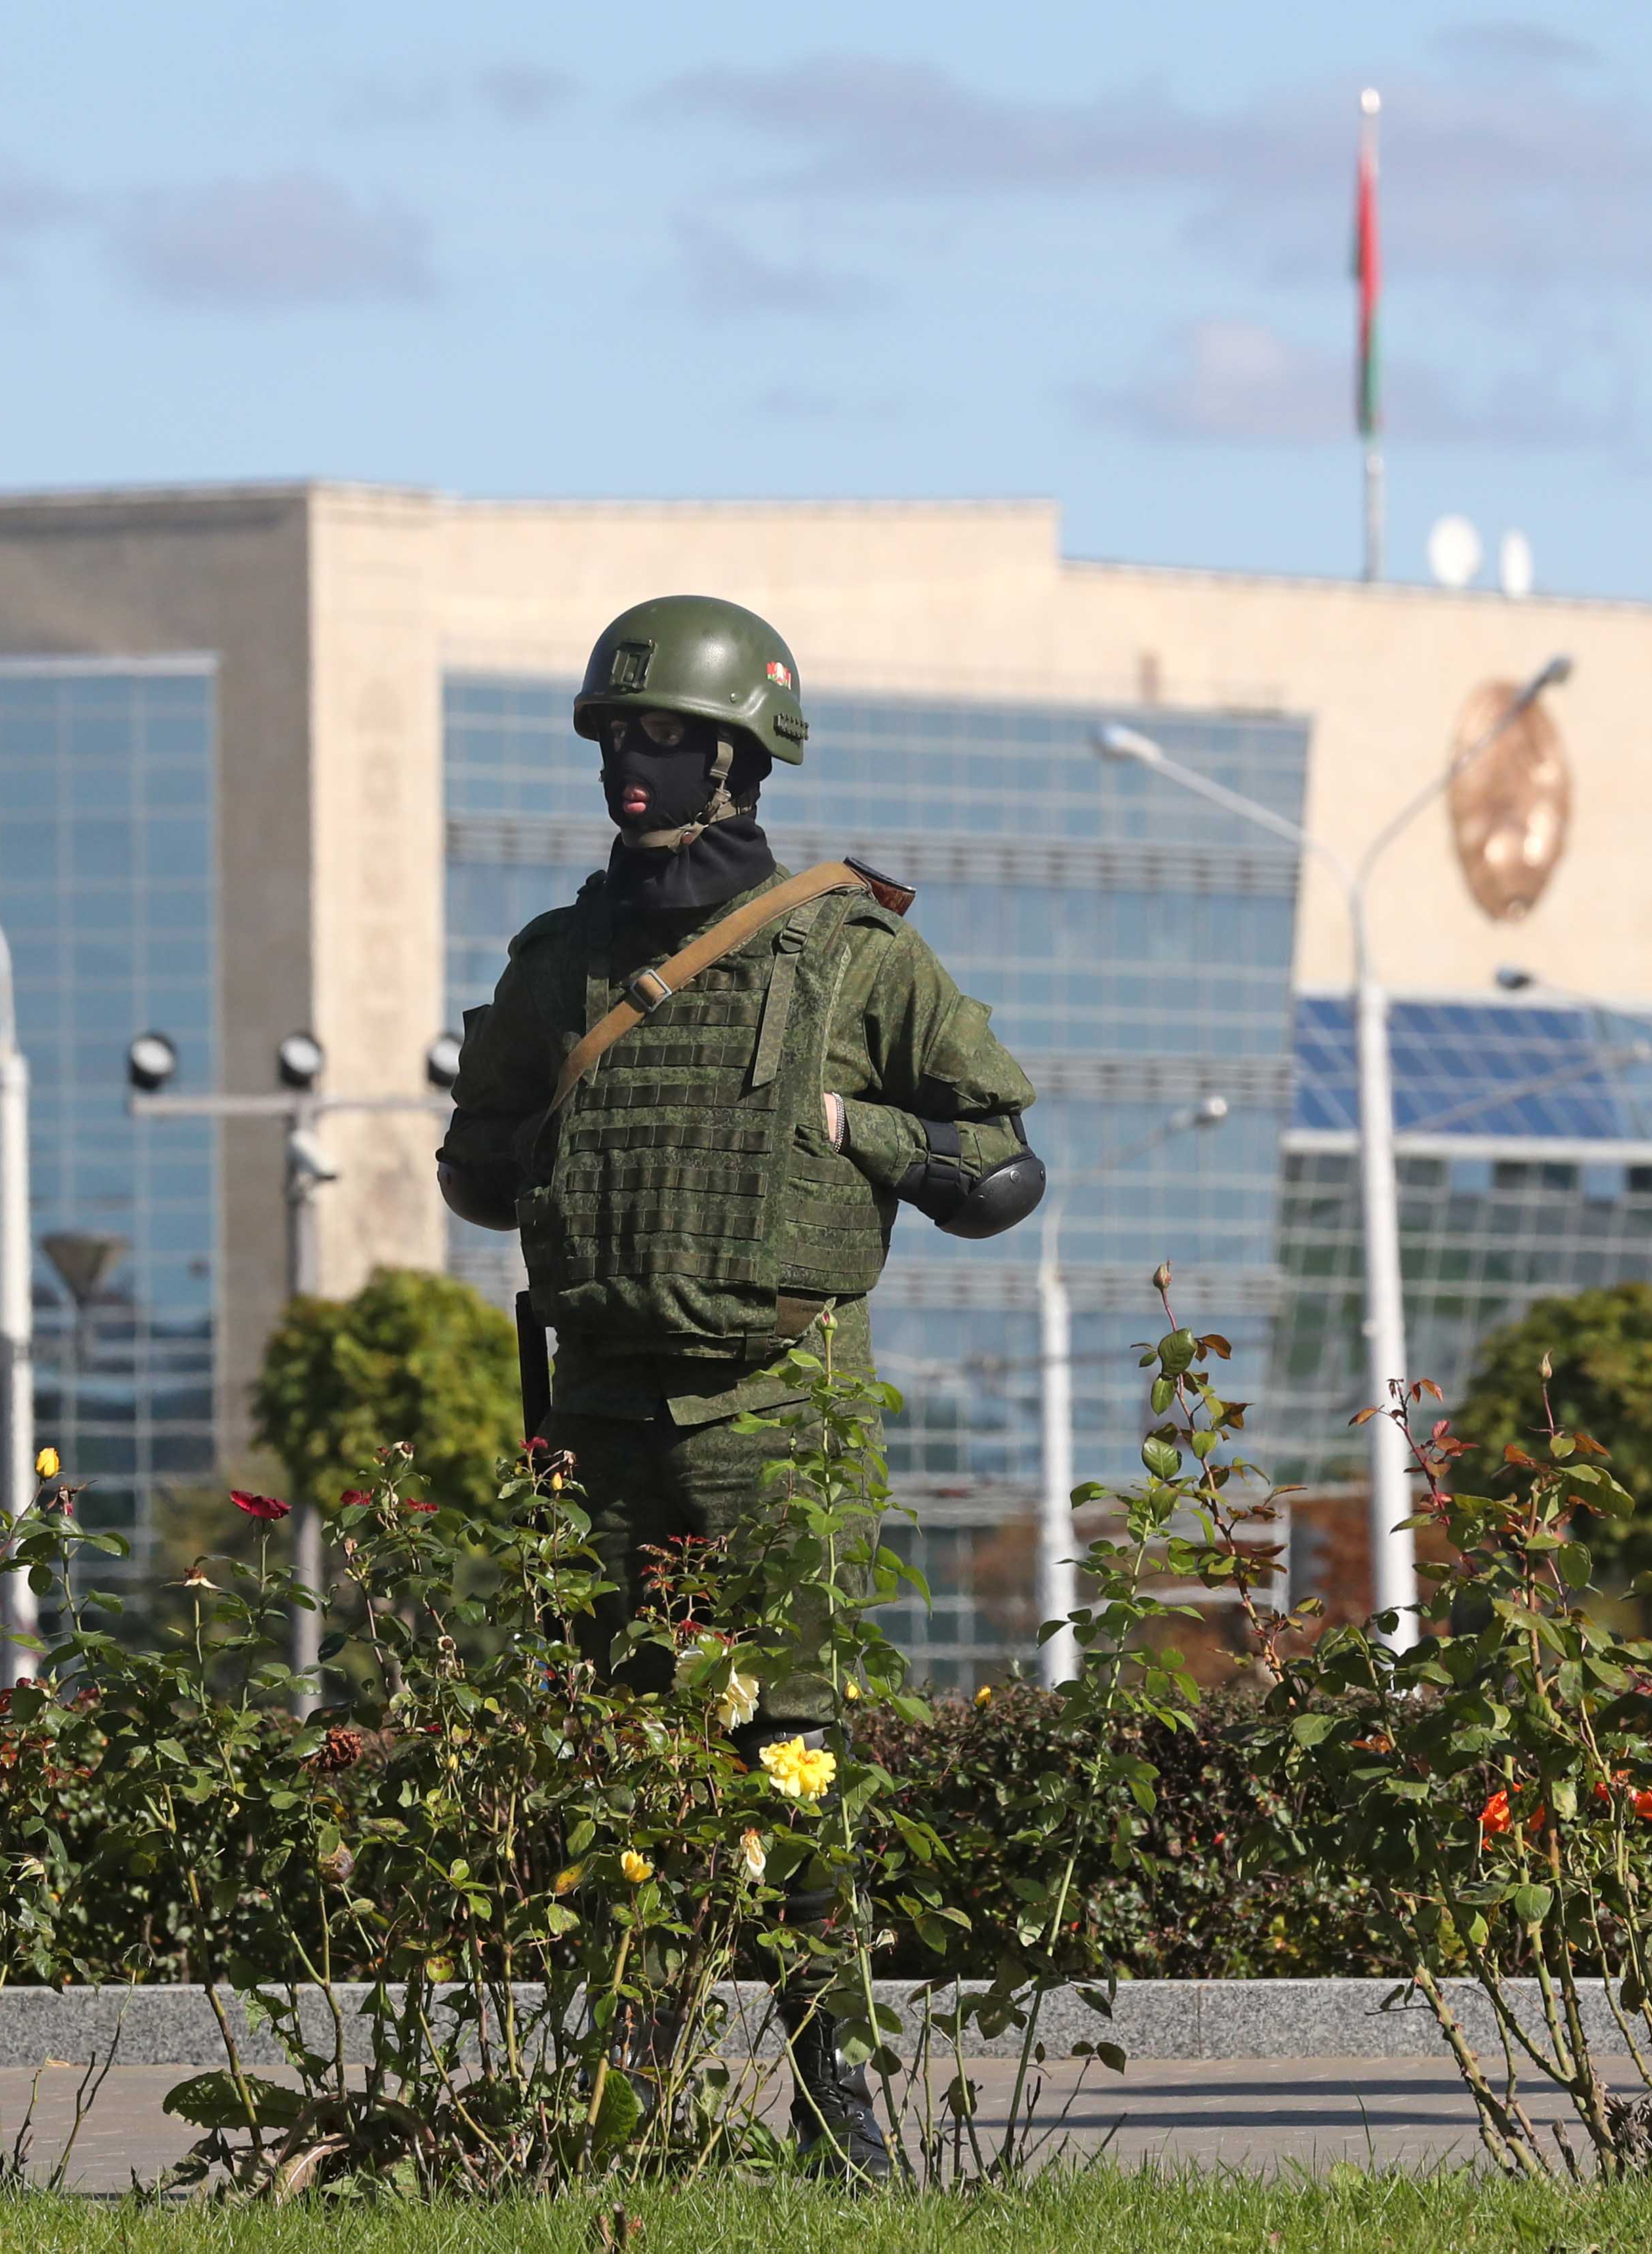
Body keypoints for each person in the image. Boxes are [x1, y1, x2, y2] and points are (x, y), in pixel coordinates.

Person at [437, 592, 1041, 2172]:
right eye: (616, 736)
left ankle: (836, 2102)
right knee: (614, 1757)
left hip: (773, 1407)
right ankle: (619, 2106)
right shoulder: (559, 961)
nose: (629, 767)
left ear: (739, 755)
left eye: (666, 738)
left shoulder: (850, 954)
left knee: (792, 1747)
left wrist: (860, 1138)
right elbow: (478, 1176)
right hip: (597, 1402)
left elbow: (1001, 1167)